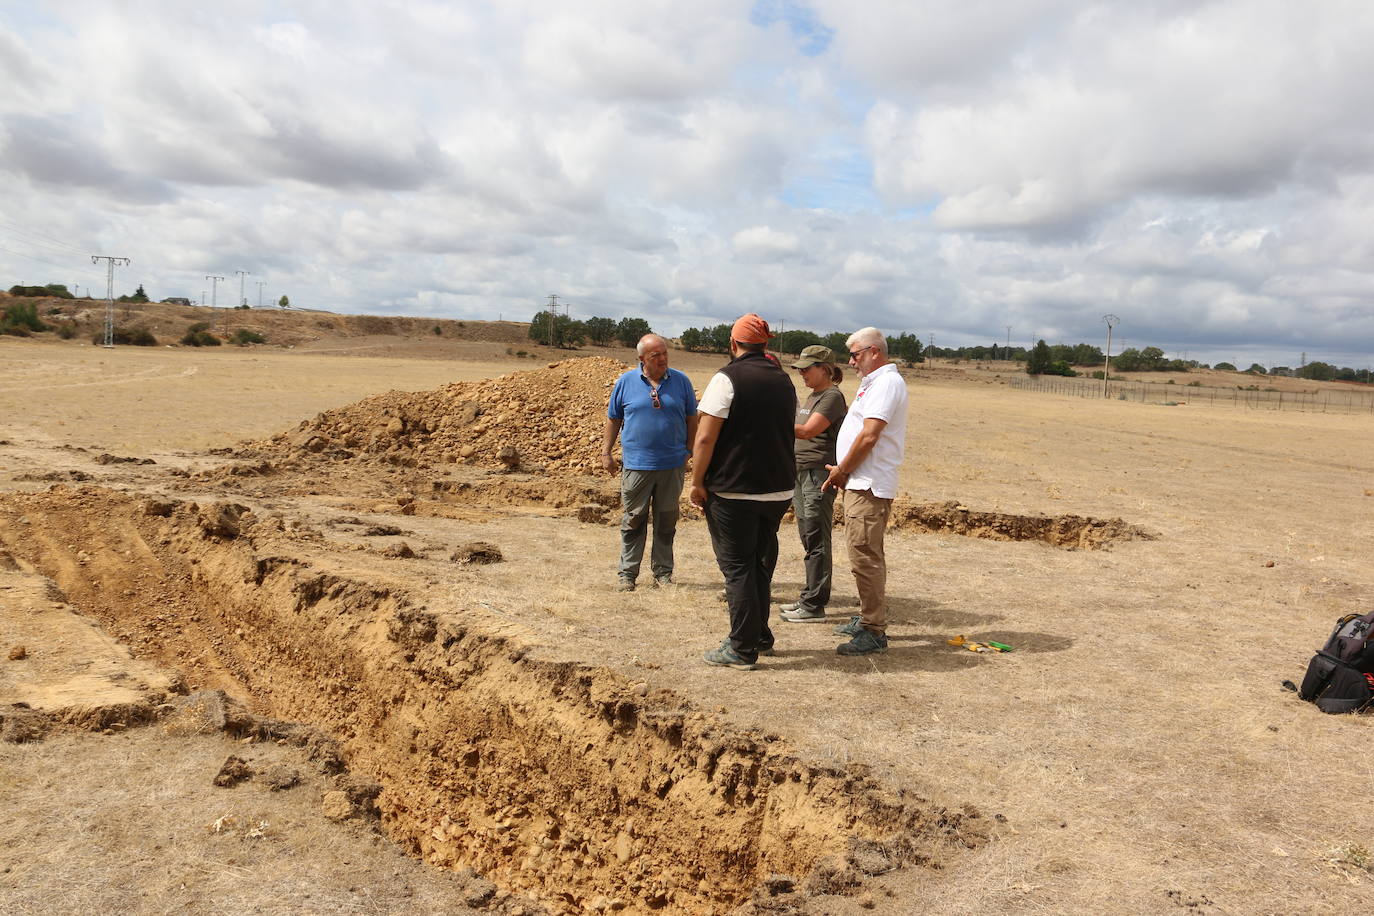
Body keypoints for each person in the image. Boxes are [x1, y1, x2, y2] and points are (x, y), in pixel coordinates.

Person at [689, 314, 797, 670]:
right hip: (777, 490)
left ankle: (740, 648)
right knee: (758, 567)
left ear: (733, 345)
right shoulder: (784, 380)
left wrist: (697, 481)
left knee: (737, 568)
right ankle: (759, 636)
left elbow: (705, 436)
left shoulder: (727, 378)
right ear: (766, 345)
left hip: (734, 491)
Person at [822, 328, 908, 656]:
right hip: (861, 481)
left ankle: (874, 630)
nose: (851, 361)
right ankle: (866, 617)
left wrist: (843, 470)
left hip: (867, 483)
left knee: (865, 555)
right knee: (864, 553)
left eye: (855, 354)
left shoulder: (887, 383)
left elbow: (869, 436)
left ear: (874, 352)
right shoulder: (876, 382)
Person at [603, 333, 698, 591]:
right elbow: (614, 418)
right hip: (636, 466)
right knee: (633, 520)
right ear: (642, 359)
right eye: (656, 355)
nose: (663, 359)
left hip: (672, 465)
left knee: (666, 521)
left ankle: (663, 574)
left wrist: (690, 449)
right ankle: (627, 574)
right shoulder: (625, 382)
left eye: (665, 353)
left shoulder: (681, 382)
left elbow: (692, 418)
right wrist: (606, 452)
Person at [780, 346, 847, 623]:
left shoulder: (832, 397)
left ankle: (815, 604)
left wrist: (773, 420)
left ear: (825, 368)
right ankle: (809, 597)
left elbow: (808, 430)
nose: (802, 373)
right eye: (800, 368)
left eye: (808, 368)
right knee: (808, 535)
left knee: (817, 537)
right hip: (802, 472)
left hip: (818, 475)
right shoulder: (813, 396)